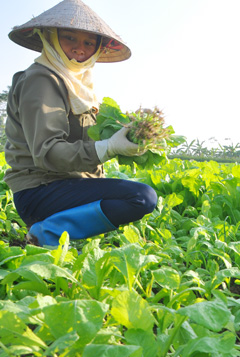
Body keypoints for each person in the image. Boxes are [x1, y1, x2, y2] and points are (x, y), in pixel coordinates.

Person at [4, 0, 157, 247]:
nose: (79, 49)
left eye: (88, 42)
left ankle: (54, 230)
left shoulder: (78, 83)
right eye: (69, 38)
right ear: (50, 38)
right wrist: (109, 147)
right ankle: (44, 234)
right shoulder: (41, 80)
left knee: (131, 193)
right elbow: (49, 152)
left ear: (97, 48)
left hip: (67, 185)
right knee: (141, 198)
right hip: (39, 189)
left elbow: (85, 140)